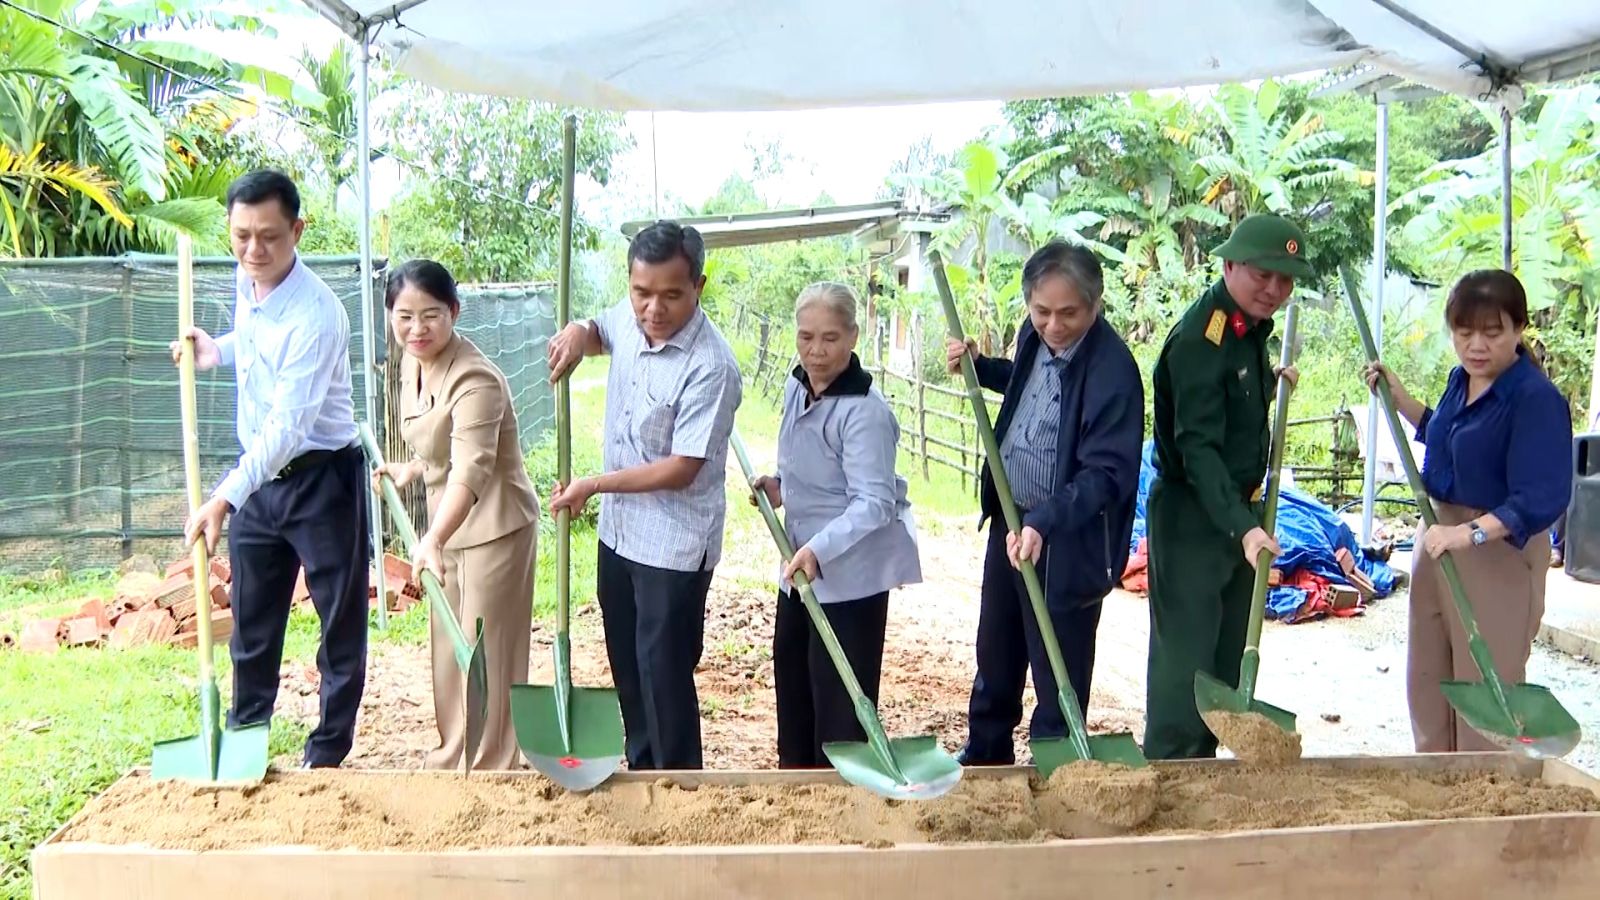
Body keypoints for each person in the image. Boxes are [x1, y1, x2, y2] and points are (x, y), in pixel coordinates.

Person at [172, 169, 368, 768]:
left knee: (338, 623)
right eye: (241, 236)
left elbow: (288, 428)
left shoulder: (318, 315)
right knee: (252, 624)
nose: (253, 250)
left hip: (322, 479)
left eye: (269, 237)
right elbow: (257, 340)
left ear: (297, 231)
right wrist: (218, 349)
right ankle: (242, 743)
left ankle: (326, 753)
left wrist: (224, 496)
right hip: (260, 483)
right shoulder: (247, 278)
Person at [545, 221, 742, 771]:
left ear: (698, 285)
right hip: (620, 535)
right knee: (628, 666)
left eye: (671, 295)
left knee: (664, 674)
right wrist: (578, 332)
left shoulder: (711, 366)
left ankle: (678, 784)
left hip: (673, 547)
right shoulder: (632, 321)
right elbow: (599, 330)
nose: (654, 309)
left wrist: (593, 485)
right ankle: (643, 766)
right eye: (642, 293)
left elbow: (682, 468)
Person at [943, 241, 1144, 766]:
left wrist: (1045, 521)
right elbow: (1025, 384)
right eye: (1042, 311)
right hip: (1011, 521)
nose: (1053, 325)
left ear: (1095, 304)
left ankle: (1056, 764)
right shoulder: (1035, 337)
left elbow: (1108, 473)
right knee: (997, 645)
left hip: (1068, 539)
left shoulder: (1114, 372)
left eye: (1068, 314)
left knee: (1058, 663)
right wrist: (980, 368)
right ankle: (986, 751)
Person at [1364, 270, 1572, 752]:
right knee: (1428, 677)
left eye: (1492, 332)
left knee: (1484, 689)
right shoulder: (1461, 381)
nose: (1477, 345)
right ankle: (1434, 778)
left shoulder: (1535, 399)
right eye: (1464, 332)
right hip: (1438, 539)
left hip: (1495, 550)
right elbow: (1450, 441)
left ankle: (1483, 788)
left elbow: (1539, 495)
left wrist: (1468, 534)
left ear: (1519, 329)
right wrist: (1401, 401)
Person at [1144, 213, 1306, 760]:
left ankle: (1207, 768)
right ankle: (1173, 767)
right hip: (1194, 515)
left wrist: (1270, 385)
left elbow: (1232, 405)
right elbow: (1198, 449)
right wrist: (1245, 529)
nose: (1274, 289)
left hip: (1238, 514)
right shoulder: (1202, 338)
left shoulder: (1248, 329)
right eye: (1263, 275)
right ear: (1230, 265)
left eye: (1285, 280)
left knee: (1227, 654)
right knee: (1186, 661)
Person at [372, 259, 540, 771]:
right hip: (446, 531)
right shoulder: (412, 363)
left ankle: (493, 764)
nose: (416, 329)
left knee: (486, 648)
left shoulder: (476, 379)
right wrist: (413, 468)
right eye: (404, 317)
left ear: (454, 312)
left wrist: (434, 538)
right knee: (448, 645)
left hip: (494, 527)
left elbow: (472, 467)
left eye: (431, 315)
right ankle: (453, 754)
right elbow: (439, 443)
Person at [748, 282, 922, 768]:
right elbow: (806, 465)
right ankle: (795, 781)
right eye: (806, 337)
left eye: (830, 338)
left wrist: (819, 550)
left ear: (853, 336)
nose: (816, 351)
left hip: (849, 580)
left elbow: (874, 503)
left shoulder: (866, 411)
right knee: (794, 686)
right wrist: (780, 486)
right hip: (800, 570)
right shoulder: (796, 385)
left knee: (840, 703)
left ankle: (841, 792)